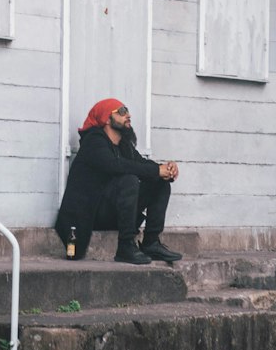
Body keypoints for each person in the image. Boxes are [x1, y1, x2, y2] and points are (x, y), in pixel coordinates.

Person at [55, 98, 182, 265]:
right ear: (107, 119)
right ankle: (125, 246)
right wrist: (155, 170)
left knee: (159, 183)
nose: (128, 115)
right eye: (121, 112)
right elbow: (115, 166)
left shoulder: (124, 146)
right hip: (92, 214)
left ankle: (151, 242)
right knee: (128, 179)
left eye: (127, 110)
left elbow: (140, 164)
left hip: (116, 211)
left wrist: (164, 170)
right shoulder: (93, 142)